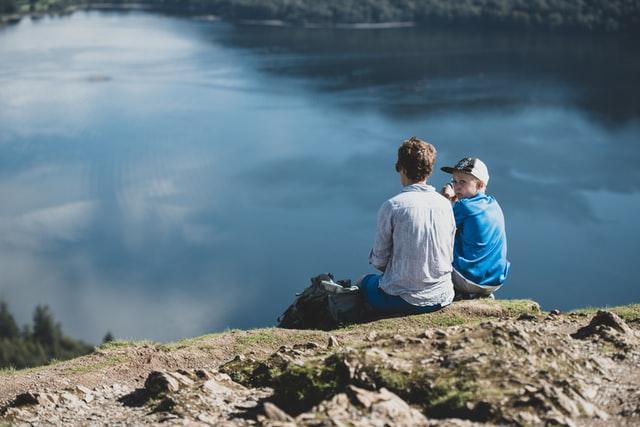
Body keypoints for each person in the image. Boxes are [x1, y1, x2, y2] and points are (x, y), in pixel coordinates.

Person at [359, 137, 456, 315]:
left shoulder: (393, 206)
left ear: (401, 168)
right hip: (443, 295)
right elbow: (449, 252)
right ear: (430, 170)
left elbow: (379, 262)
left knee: (364, 282)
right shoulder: (445, 204)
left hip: (405, 299)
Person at [440, 157, 510, 299]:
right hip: (495, 280)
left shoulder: (464, 206)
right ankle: (479, 294)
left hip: (468, 279)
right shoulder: (494, 204)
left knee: (434, 239)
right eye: (454, 181)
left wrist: (445, 200)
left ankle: (453, 291)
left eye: (463, 182)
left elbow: (437, 227)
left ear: (480, 184)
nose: (456, 187)